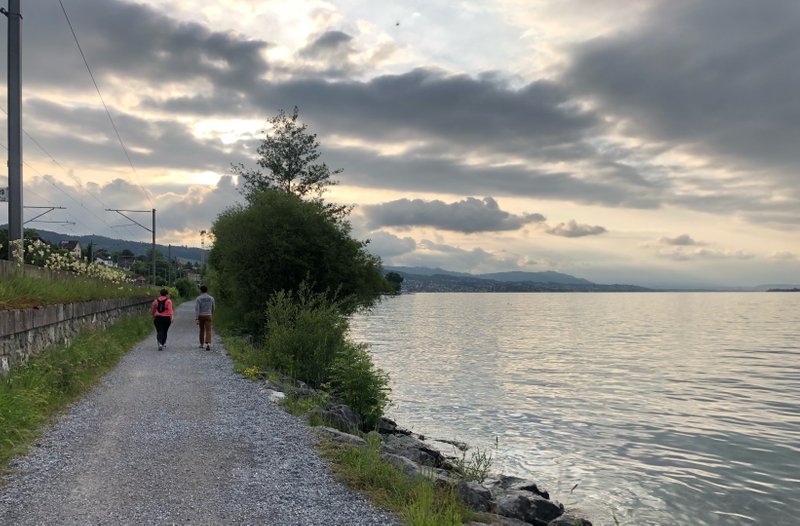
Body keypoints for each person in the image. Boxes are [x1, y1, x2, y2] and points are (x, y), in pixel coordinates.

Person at [195, 285, 215, 351]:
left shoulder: (198, 298)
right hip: (208, 315)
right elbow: (213, 308)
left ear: (201, 290)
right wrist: (211, 313)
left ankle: (201, 344)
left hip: (201, 316)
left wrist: (197, 318)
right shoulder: (211, 298)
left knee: (202, 330)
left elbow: (197, 309)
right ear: (207, 290)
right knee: (208, 330)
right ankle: (208, 344)